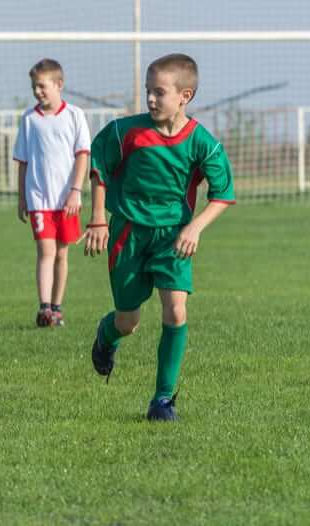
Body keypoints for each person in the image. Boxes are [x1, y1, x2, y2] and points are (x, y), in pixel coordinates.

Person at [83, 53, 235, 421]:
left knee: (176, 310)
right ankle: (107, 337)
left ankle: (163, 400)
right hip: (129, 234)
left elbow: (224, 193)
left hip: (174, 238)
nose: (151, 99)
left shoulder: (202, 142)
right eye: (148, 91)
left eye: (159, 93)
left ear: (185, 95)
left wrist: (194, 227)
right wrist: (99, 219)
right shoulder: (126, 132)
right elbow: (99, 167)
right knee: (128, 322)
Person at [13, 58, 91, 327]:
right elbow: (22, 160)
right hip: (39, 199)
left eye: (43, 86)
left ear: (59, 85)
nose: (38, 92)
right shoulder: (29, 119)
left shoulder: (74, 115)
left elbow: (82, 156)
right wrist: (22, 196)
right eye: (35, 87)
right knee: (45, 251)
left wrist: (76, 191)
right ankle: (44, 308)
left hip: (67, 200)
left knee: (61, 254)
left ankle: (57, 307)